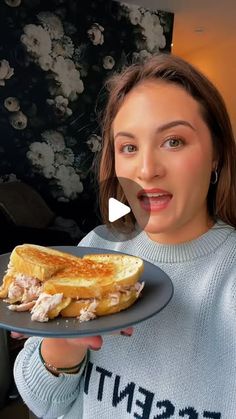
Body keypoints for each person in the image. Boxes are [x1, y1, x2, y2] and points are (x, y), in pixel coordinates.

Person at [14, 54, 236, 418]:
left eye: (173, 141)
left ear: (216, 154)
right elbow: (45, 405)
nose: (147, 170)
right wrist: (61, 349)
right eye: (129, 147)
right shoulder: (96, 249)